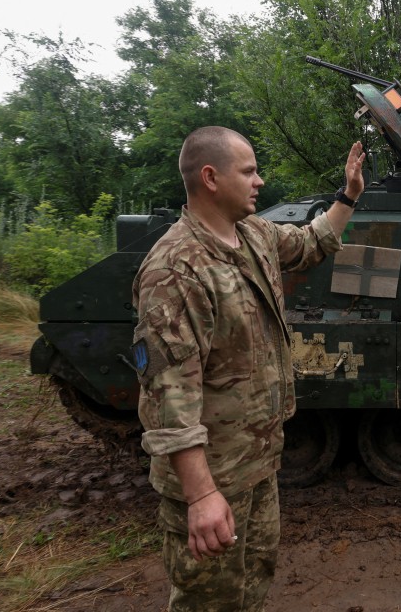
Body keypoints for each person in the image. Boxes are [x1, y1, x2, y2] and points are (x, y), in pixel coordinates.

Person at [131, 126, 364, 611]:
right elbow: (170, 397)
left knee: (253, 587)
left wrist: (349, 195)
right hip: (214, 475)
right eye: (249, 171)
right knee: (208, 601)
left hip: (257, 462)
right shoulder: (176, 270)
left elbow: (312, 242)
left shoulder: (253, 234)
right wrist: (201, 496)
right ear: (211, 178)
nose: (259, 181)